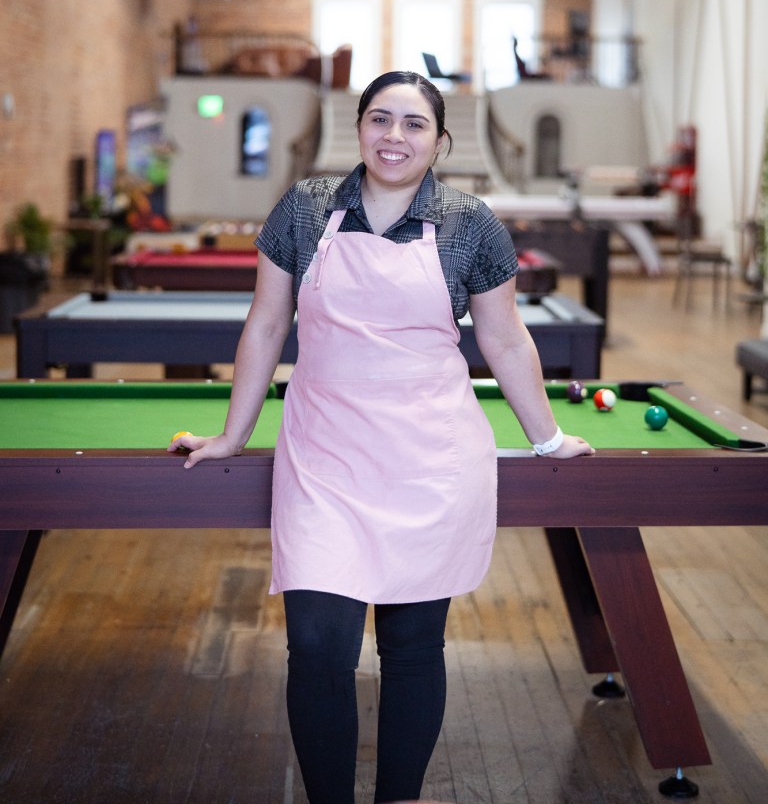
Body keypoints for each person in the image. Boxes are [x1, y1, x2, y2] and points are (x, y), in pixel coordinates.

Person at [168, 70, 594, 804]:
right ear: (358, 128)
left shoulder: (470, 223)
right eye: (380, 119)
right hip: (325, 452)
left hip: (428, 457)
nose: (394, 136)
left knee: (412, 648)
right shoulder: (304, 211)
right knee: (318, 648)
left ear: (440, 139)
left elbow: (506, 339)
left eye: (413, 124)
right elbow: (267, 325)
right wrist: (234, 436)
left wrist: (549, 438)